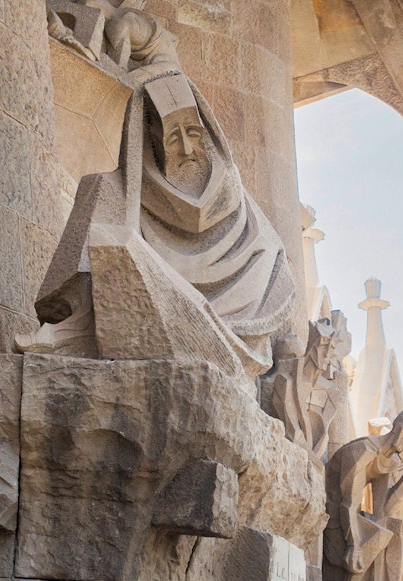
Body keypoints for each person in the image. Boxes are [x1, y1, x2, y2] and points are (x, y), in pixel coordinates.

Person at [20, 69, 294, 379]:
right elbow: (75, 278)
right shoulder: (116, 191)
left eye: (193, 133)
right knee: (102, 198)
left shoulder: (237, 203)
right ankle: (79, 328)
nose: (188, 150)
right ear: (150, 139)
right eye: (173, 137)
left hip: (233, 331)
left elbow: (273, 265)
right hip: (137, 318)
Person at [323, 411, 403, 581]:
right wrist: (354, 544)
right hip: (332, 510)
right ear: (396, 429)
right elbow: (349, 503)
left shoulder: (391, 460)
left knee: (395, 527)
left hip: (350, 512)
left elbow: (385, 508)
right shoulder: (363, 450)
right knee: (376, 532)